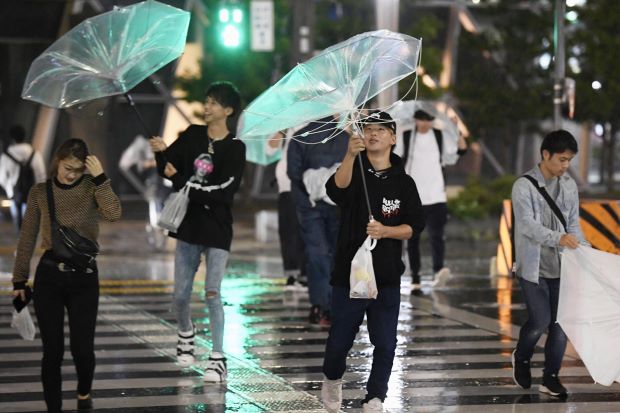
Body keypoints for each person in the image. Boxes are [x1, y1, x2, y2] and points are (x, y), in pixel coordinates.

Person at [320, 111, 425, 413]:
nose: (373, 134)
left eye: (381, 130)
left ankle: (375, 395)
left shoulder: (404, 183)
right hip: (349, 275)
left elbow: (414, 227)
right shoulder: (355, 170)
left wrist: (386, 231)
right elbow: (335, 191)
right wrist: (350, 156)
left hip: (387, 277)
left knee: (386, 343)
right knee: (339, 341)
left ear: (393, 138)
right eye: (368, 130)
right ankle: (331, 379)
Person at [11, 138, 121, 413]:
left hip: (84, 278)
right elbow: (27, 238)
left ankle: (84, 392)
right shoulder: (39, 192)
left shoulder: (90, 187)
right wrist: (19, 280)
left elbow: (114, 214)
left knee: (82, 350)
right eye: (67, 167)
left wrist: (101, 178)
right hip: (49, 276)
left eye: (77, 169)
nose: (71, 174)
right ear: (57, 161)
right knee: (53, 352)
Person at [149, 81, 245, 382]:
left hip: (217, 229)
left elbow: (223, 193)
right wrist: (160, 154)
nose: (207, 107)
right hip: (188, 226)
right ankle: (186, 332)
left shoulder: (235, 148)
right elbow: (167, 170)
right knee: (180, 296)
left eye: (214, 103)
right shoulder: (191, 135)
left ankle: (218, 358)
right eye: (207, 101)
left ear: (228, 110)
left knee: (212, 293)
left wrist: (182, 181)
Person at [511, 129, 586, 397]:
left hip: (563, 267)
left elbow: (574, 224)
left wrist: (586, 252)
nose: (566, 166)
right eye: (562, 159)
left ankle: (551, 377)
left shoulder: (568, 185)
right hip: (533, 267)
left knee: (560, 324)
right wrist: (560, 238)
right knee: (541, 320)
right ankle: (521, 356)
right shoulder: (523, 186)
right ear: (545, 154)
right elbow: (528, 226)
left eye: (569, 160)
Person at [287, 116, 349, 325]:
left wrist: (305, 201)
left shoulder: (300, 138)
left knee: (319, 254)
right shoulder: (345, 138)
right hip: (336, 206)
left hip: (310, 206)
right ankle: (328, 305)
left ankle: (321, 305)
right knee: (330, 254)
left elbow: (293, 174)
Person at [399, 109, 467, 290]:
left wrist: (456, 129)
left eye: (428, 120)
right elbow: (393, 157)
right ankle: (415, 277)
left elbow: (460, 150)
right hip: (413, 197)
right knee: (412, 239)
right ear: (415, 120)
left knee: (437, 236)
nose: (425, 124)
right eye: (421, 120)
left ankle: (439, 270)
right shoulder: (406, 136)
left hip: (436, 195)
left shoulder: (439, 135)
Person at [266, 130, 307, 290]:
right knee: (287, 231)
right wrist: (280, 132)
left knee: (304, 230)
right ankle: (291, 273)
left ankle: (305, 275)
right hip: (285, 187)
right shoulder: (286, 125)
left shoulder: (317, 121)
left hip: (306, 186)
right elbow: (269, 150)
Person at [119, 134, 172, 250]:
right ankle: (156, 239)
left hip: (163, 188)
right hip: (154, 188)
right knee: (155, 214)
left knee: (161, 214)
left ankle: (159, 240)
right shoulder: (145, 150)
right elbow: (141, 165)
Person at [0, 125, 46, 232]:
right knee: (29, 225)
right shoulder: (34, 154)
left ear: (12, 138)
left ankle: (19, 242)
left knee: (18, 223)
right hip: (32, 194)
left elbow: (1, 177)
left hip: (15, 194)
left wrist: (9, 188)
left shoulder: (6, 156)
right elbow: (41, 175)